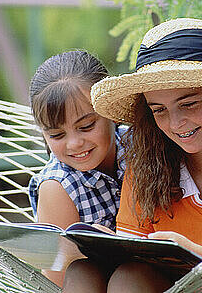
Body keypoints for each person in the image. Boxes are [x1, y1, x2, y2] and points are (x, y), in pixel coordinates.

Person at [60, 17, 202, 292]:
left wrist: (193, 254)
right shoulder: (146, 170)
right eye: (159, 110)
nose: (175, 123)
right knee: (98, 272)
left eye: (189, 104)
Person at [27, 50, 127, 287]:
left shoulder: (140, 147)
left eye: (86, 126)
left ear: (112, 111)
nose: (74, 144)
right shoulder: (57, 186)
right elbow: (59, 279)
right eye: (57, 134)